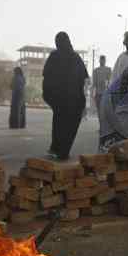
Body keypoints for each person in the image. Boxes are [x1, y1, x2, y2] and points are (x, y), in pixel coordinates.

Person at [43, 32, 89, 160]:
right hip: (73, 100)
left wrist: (49, 96)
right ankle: (63, 150)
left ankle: (57, 148)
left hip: (59, 100)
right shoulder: (76, 58)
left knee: (59, 123)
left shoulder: (54, 56)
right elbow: (84, 79)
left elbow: (46, 77)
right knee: (69, 126)